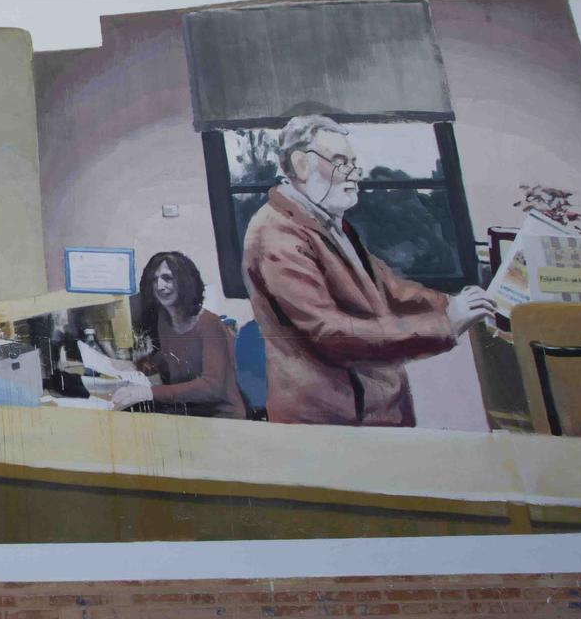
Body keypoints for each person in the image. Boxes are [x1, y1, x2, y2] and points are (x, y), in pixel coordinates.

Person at [241, 114, 495, 426]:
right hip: (331, 423)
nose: (354, 174)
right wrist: (445, 324)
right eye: (339, 162)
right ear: (300, 164)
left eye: (353, 163)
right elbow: (330, 332)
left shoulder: (328, 220)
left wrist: (451, 302)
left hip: (372, 413)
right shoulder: (276, 234)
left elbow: (389, 287)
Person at [109, 251, 247, 419]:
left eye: (168, 278)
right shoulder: (165, 319)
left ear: (184, 281)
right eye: (155, 279)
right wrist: (137, 366)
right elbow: (171, 354)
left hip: (221, 417)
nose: (159, 286)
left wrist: (149, 393)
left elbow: (212, 387)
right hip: (186, 411)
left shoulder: (210, 324)